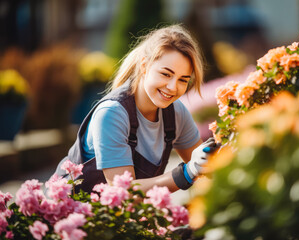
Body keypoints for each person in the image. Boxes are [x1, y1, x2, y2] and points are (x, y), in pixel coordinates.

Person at [51, 24, 219, 194]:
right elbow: (124, 192)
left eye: (183, 80)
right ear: (144, 66)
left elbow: (211, 171)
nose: (173, 87)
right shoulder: (112, 113)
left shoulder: (176, 114)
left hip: (121, 219)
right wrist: (187, 172)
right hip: (69, 213)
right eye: (166, 74)